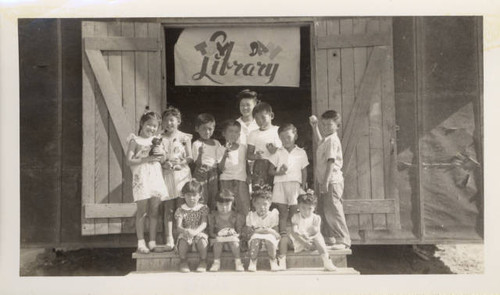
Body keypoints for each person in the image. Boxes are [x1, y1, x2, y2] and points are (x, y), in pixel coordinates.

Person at [125, 108, 168, 254]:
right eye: (149, 124)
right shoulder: (134, 140)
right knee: (142, 211)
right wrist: (146, 159)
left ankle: (152, 242)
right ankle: (141, 242)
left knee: (154, 211)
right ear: (142, 124)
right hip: (142, 177)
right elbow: (129, 161)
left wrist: (162, 153)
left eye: (155, 126)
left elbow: (162, 160)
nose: (152, 128)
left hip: (155, 176)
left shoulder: (157, 141)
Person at [268, 123, 309, 269]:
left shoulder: (301, 152)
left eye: (289, 136)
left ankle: (293, 239)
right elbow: (270, 171)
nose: (286, 139)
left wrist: (303, 187)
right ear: (279, 138)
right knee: (282, 212)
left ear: (295, 135)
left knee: (294, 212)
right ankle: (282, 238)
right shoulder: (277, 152)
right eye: (283, 137)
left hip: (295, 185)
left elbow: (304, 171)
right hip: (280, 184)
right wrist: (278, 172)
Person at [309, 111, 351, 250]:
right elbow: (319, 142)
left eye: (330, 124)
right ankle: (331, 238)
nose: (326, 127)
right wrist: (315, 127)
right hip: (325, 181)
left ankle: (343, 240)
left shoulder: (333, 140)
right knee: (325, 209)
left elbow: (331, 162)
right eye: (324, 124)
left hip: (332, 181)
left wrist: (326, 182)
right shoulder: (327, 139)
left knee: (333, 209)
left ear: (337, 125)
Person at [159, 106, 193, 251]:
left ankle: (182, 236)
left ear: (178, 121)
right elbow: (158, 157)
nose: (169, 124)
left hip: (181, 174)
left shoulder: (185, 137)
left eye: (172, 120)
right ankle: (169, 239)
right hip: (167, 174)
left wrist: (181, 163)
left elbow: (190, 157)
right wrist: (163, 162)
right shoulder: (159, 138)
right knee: (169, 208)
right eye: (166, 121)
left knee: (181, 206)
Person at [287, 192, 337, 271]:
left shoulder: (316, 218)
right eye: (303, 208)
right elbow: (294, 232)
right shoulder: (296, 217)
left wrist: (308, 239)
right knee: (288, 237)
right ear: (298, 207)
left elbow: (316, 232)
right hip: (298, 242)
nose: (306, 211)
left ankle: (327, 261)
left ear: (314, 208)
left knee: (318, 236)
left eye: (310, 208)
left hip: (311, 242)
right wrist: (303, 242)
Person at [175, 180, 209, 273]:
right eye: (188, 195)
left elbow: (204, 223)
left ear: (199, 195)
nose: (191, 198)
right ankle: (183, 261)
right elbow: (178, 226)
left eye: (194, 195)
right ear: (184, 195)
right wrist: (186, 231)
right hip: (186, 233)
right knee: (182, 240)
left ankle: (203, 261)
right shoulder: (181, 209)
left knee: (202, 239)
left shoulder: (203, 208)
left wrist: (195, 232)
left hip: (198, 232)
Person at [218, 120, 251, 216]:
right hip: (226, 180)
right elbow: (220, 169)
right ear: (224, 133)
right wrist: (225, 155)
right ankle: (229, 227)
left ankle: (244, 227)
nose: (233, 134)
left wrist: (249, 175)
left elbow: (245, 163)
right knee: (227, 205)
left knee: (244, 204)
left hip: (241, 180)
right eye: (231, 131)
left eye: (236, 132)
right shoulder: (220, 149)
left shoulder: (243, 148)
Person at [208, 189, 245, 272]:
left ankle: (238, 262)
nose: (224, 207)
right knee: (218, 242)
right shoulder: (213, 216)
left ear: (232, 203)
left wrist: (233, 234)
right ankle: (216, 262)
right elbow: (211, 232)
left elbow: (239, 232)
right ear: (216, 203)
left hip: (232, 239)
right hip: (218, 239)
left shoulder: (236, 216)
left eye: (227, 204)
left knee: (234, 242)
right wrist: (218, 235)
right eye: (220, 204)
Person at [247, 102, 282, 189]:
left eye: (263, 117)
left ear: (271, 116)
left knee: (276, 192)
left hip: (276, 165)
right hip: (260, 166)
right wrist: (256, 156)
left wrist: (275, 151)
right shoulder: (253, 134)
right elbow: (248, 154)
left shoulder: (278, 130)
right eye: (257, 119)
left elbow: (285, 150)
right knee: (260, 193)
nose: (260, 121)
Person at [245, 188, 281, 272]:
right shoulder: (251, 216)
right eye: (258, 204)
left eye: (265, 204)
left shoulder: (273, 215)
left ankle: (273, 261)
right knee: (255, 240)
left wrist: (267, 231)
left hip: (270, 237)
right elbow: (249, 232)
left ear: (270, 204)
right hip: (255, 238)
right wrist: (264, 230)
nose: (262, 207)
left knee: (269, 239)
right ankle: (253, 261)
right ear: (253, 204)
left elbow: (276, 233)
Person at [192, 113, 222, 211]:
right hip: (201, 172)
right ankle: (201, 222)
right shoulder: (196, 144)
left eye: (210, 129)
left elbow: (219, 160)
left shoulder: (216, 143)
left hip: (213, 172)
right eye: (204, 128)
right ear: (197, 129)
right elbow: (197, 164)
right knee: (202, 197)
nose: (207, 132)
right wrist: (200, 153)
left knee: (213, 197)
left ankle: (211, 222)